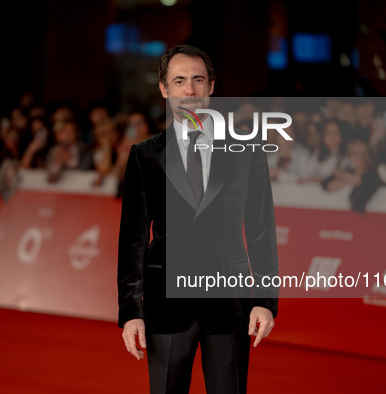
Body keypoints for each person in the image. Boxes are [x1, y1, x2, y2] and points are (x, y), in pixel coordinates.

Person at [117, 45, 278, 394]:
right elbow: (131, 241)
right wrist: (130, 310)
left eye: (197, 80)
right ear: (164, 89)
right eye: (179, 81)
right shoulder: (145, 156)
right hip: (166, 304)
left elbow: (262, 230)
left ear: (211, 86)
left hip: (230, 302)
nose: (189, 90)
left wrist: (265, 301)